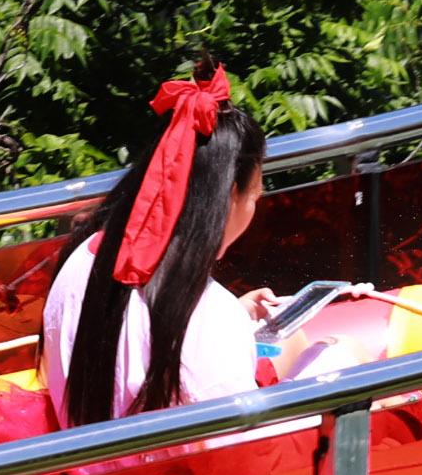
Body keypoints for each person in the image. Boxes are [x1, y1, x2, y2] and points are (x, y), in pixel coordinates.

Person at [43, 53, 282, 425]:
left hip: (90, 474)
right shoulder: (209, 317)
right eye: (255, 194)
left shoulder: (80, 259)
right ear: (231, 195)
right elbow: (241, 455)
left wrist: (235, 313)